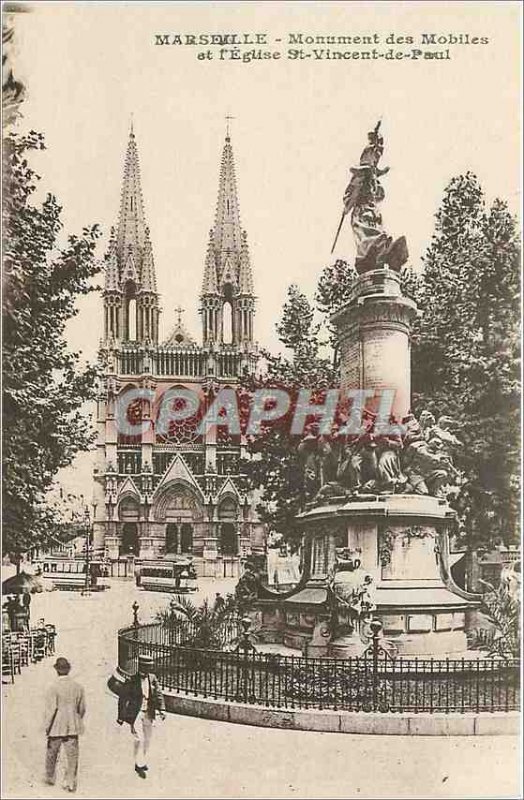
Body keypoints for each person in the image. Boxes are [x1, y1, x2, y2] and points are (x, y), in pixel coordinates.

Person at [117, 654, 166, 779]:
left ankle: (141, 760)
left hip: (148, 712)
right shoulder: (132, 680)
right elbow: (123, 698)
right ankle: (138, 763)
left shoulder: (153, 678)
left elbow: (158, 694)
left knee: (148, 739)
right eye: (146, 667)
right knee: (138, 738)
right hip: (136, 713)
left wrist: (162, 709)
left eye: (149, 667)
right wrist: (121, 716)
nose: (148, 669)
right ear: (141, 666)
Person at [43, 657, 86, 793]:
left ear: (56, 670)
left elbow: (51, 709)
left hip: (56, 726)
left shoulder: (52, 687)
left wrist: (47, 726)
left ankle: (50, 777)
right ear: (68, 670)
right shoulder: (78, 687)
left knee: (51, 753)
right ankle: (70, 782)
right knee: (72, 756)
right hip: (72, 725)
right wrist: (76, 718)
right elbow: (82, 708)